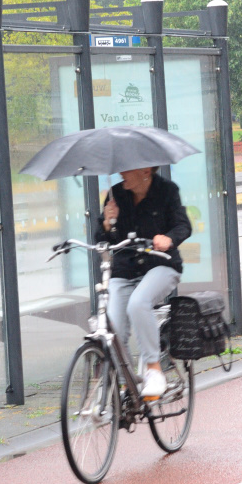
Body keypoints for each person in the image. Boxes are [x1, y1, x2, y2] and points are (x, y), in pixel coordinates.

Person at [95, 166, 192, 399]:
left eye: (127, 169)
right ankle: (126, 384)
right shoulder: (115, 194)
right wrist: (107, 223)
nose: (121, 173)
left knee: (138, 303)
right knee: (114, 327)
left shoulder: (167, 191)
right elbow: (102, 239)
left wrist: (168, 238)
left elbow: (183, 226)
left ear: (146, 170)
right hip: (124, 270)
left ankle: (153, 369)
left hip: (161, 265)